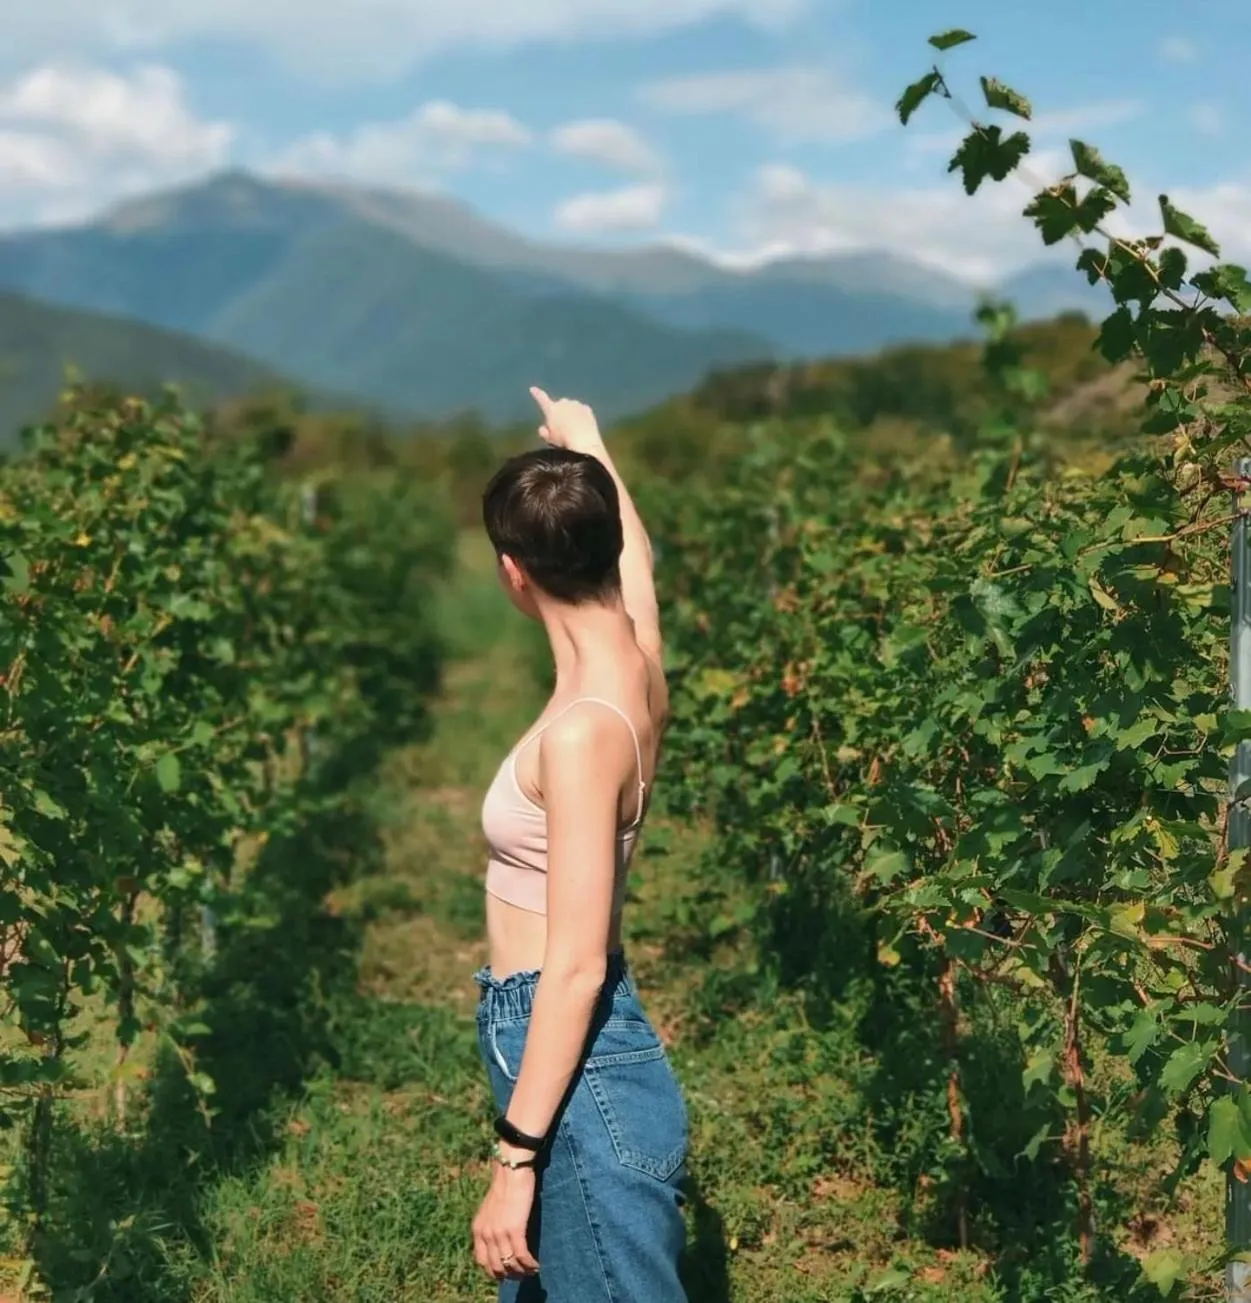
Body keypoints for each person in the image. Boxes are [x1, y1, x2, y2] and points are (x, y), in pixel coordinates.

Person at [470, 387, 689, 1301]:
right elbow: (638, 562)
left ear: (512, 570)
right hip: (563, 1050)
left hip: (575, 1057)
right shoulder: (632, 665)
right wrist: (589, 446)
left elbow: (574, 969)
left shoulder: (581, 732)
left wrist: (513, 1159)